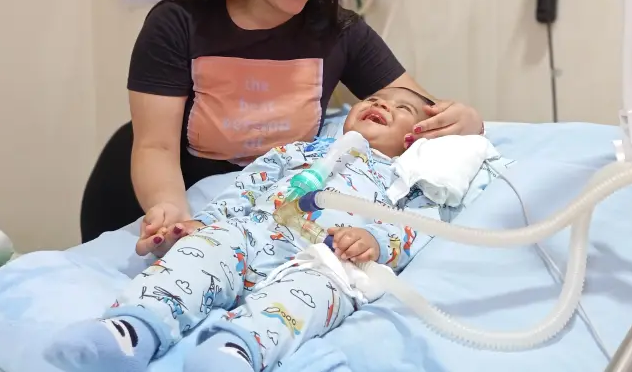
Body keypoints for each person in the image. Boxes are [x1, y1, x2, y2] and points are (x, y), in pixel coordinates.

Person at [79, 0, 483, 248]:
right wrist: (171, 213)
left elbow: (419, 112)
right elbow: (155, 148)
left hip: (266, 213)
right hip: (160, 197)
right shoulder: (178, 23)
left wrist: (467, 122)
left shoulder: (340, 32)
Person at [46, 87, 435, 372]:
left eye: (402, 108)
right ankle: (130, 330)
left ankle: (233, 351)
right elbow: (246, 187)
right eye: (374, 99)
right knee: (204, 251)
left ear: (413, 138)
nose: (382, 104)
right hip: (253, 234)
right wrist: (207, 223)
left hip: (323, 260)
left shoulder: (406, 181)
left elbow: (415, 228)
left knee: (311, 297)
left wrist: (374, 242)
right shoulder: (300, 152)